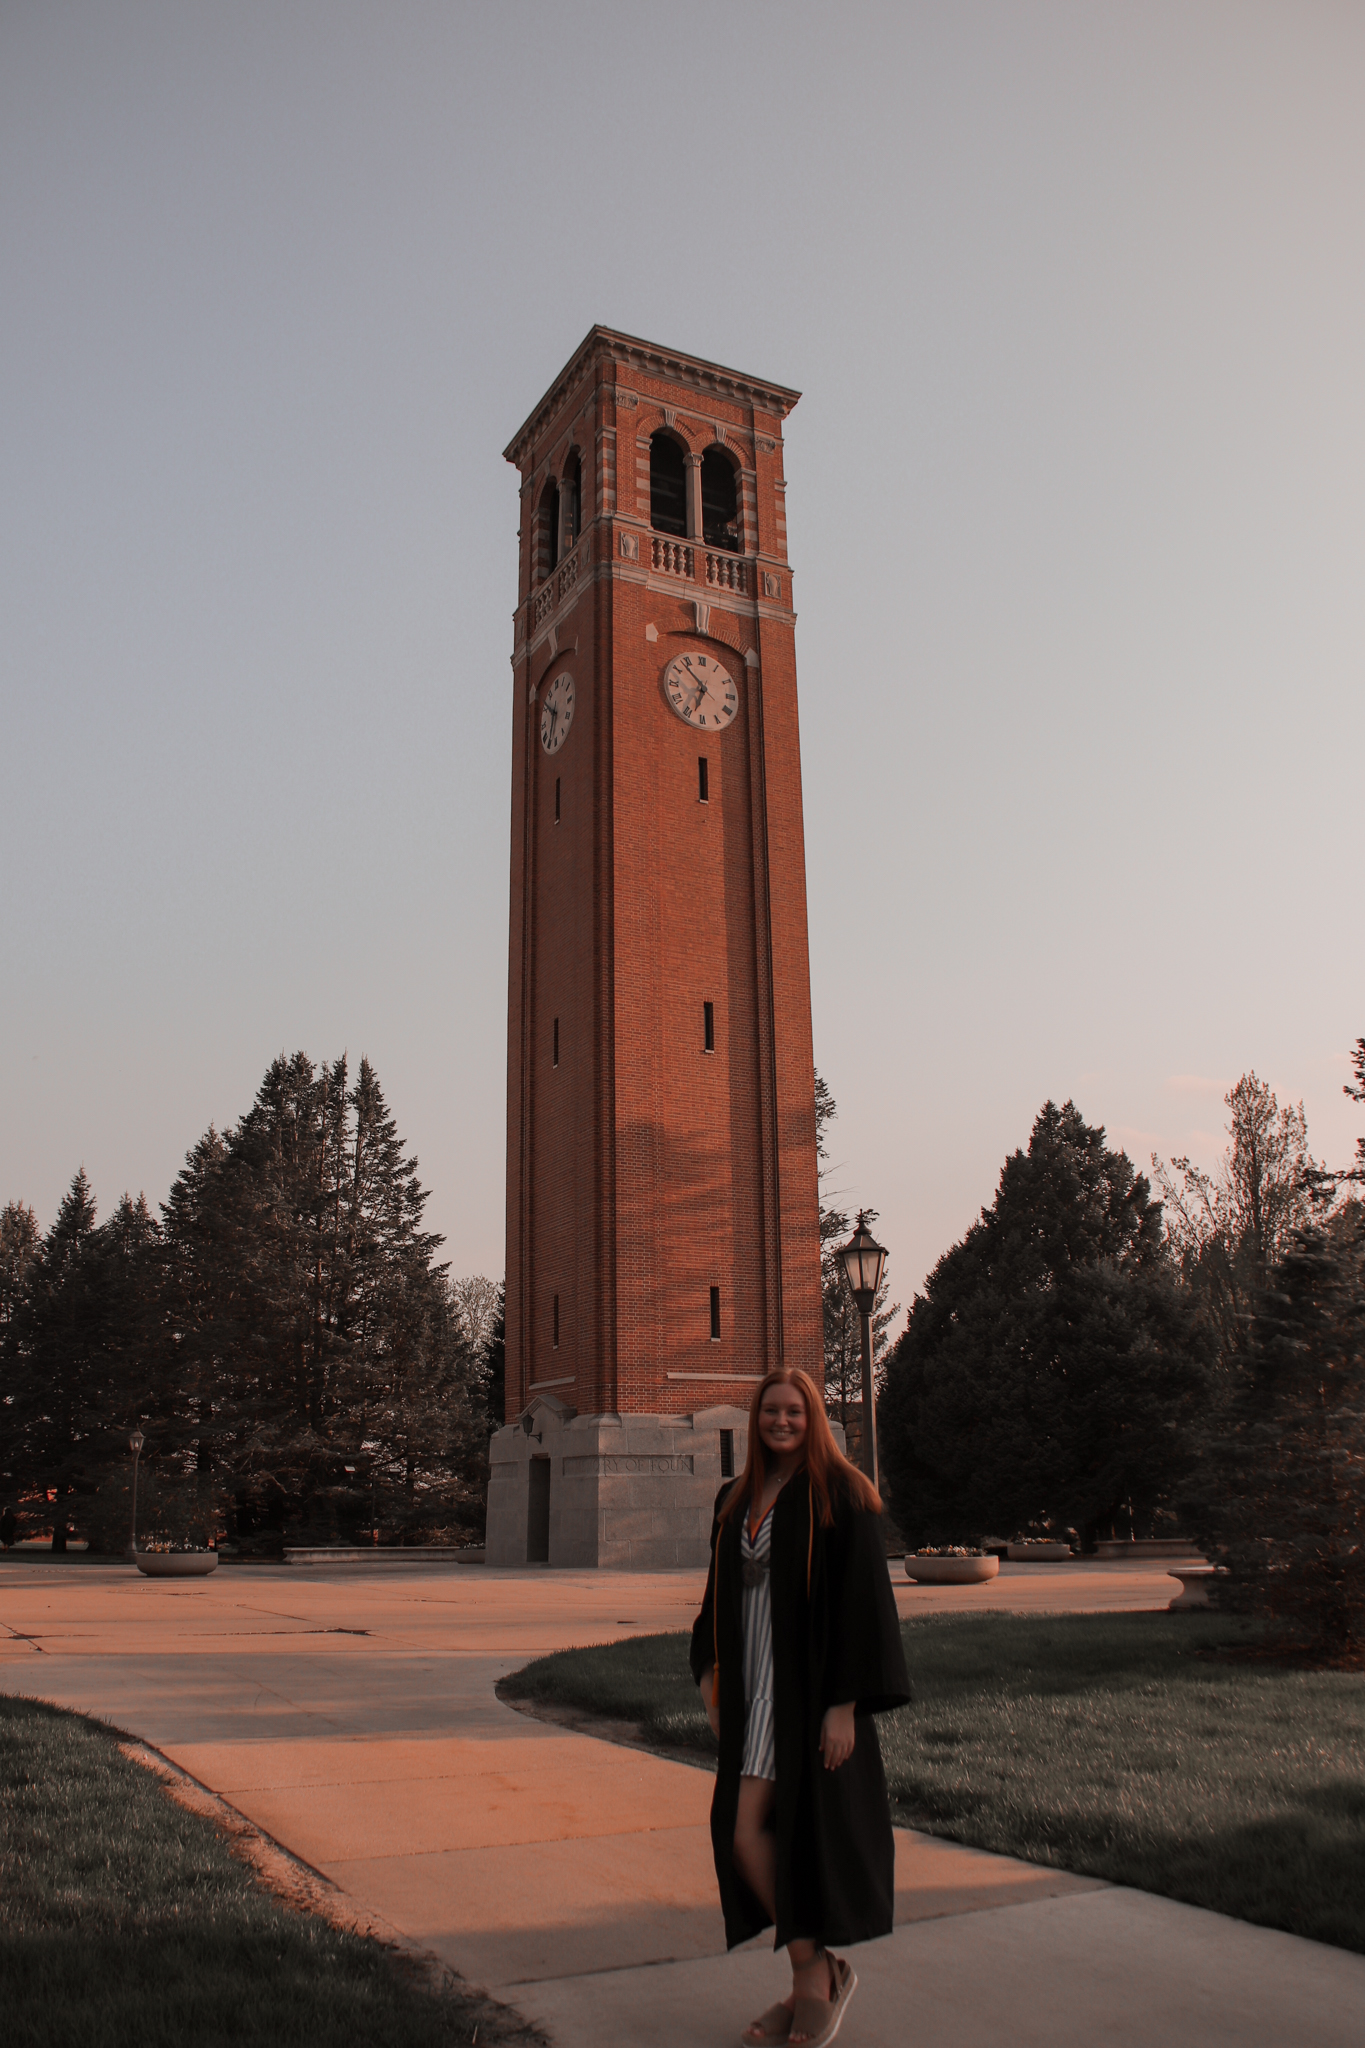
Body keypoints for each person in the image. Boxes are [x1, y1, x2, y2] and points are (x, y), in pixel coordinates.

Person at [691, 1367, 911, 2048]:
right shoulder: (735, 1497)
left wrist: (844, 1703)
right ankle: (817, 1973)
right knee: (743, 1836)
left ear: (812, 1418)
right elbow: (717, 1597)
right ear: (755, 1421)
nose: (781, 1422)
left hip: (807, 1693)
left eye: (793, 1411)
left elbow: (863, 1604)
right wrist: (710, 1679)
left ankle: (809, 1984)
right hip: (751, 1690)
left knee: (794, 1836)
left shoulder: (843, 1493)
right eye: (770, 1412)